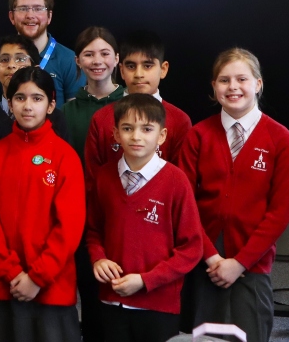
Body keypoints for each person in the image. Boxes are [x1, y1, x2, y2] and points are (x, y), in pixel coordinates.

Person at [175, 49, 289, 342]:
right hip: (203, 259)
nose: (233, 87)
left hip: (251, 261)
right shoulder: (198, 135)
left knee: (249, 333)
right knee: (199, 336)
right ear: (213, 87)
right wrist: (212, 257)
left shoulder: (281, 140)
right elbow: (185, 205)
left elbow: (280, 212)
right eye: (224, 80)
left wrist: (240, 262)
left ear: (257, 83)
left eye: (241, 79)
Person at [0, 67, 85, 342]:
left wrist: (37, 277)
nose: (28, 106)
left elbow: (69, 227)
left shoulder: (65, 156)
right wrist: (12, 272)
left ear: (51, 105)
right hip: (3, 287)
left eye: (37, 98)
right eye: (20, 98)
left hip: (51, 288)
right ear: (10, 104)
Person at [87, 94, 203, 342]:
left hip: (158, 305)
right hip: (112, 301)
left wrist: (146, 280)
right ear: (116, 135)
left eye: (146, 129)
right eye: (127, 128)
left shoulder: (176, 181)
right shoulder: (104, 177)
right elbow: (93, 230)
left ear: (161, 136)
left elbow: (191, 248)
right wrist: (98, 258)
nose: (136, 136)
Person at [84, 30, 192, 169]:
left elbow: (182, 179)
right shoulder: (101, 119)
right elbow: (93, 180)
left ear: (163, 69)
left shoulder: (180, 121)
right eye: (131, 66)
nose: (139, 74)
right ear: (122, 71)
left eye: (147, 66)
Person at [0, 34, 66, 165]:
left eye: (20, 59)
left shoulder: (55, 118)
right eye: (4, 60)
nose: (11, 65)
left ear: (35, 69)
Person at [0, 0, 82, 105]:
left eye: (38, 8)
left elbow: (73, 115)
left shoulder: (68, 59)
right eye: (23, 8)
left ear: (49, 16)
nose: (30, 15)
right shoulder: (1, 57)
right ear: (11, 17)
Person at [62, 26, 124, 157]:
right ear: (77, 61)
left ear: (116, 59)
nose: (97, 61)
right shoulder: (67, 111)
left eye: (105, 54)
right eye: (89, 55)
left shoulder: (131, 104)